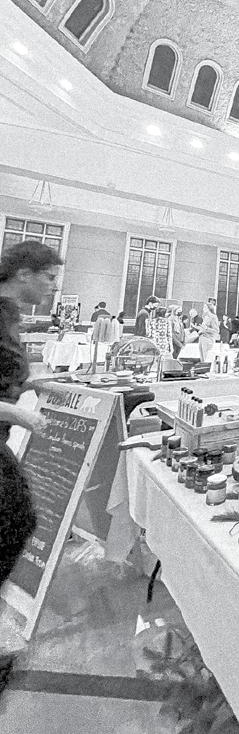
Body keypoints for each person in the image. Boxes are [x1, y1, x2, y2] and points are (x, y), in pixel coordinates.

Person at [0, 242, 62, 690]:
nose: (53, 286)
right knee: (17, 518)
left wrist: (32, 384)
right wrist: (17, 414)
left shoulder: (10, 316)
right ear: (24, 273)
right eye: (49, 277)